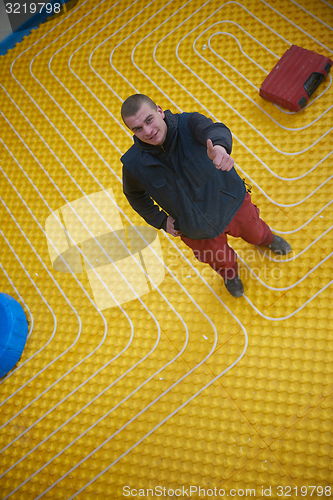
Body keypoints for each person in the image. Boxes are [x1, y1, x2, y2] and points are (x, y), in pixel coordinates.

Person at [120, 94, 291, 298]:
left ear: (159, 111)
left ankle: (267, 239)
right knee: (219, 259)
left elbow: (215, 130)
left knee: (255, 230)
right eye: (137, 129)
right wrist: (161, 221)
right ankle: (230, 275)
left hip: (232, 205)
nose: (147, 131)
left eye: (149, 120)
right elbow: (134, 195)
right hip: (195, 229)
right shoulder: (133, 163)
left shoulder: (189, 124)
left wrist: (219, 147)